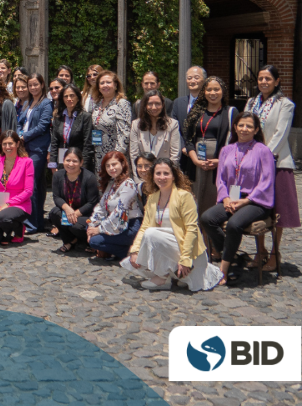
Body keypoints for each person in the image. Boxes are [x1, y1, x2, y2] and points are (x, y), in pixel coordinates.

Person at [122, 158, 222, 291]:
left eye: (166, 173)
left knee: (151, 234)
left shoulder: (185, 196)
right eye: (158, 173)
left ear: (174, 176)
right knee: (145, 240)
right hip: (167, 246)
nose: (162, 177)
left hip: (188, 252)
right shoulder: (152, 198)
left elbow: (192, 229)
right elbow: (144, 227)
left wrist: (186, 259)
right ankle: (165, 275)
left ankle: (164, 276)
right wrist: (134, 250)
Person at [203, 113, 278, 284]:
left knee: (234, 224)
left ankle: (224, 268)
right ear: (235, 127)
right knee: (207, 218)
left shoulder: (262, 150)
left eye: (249, 126)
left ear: (256, 129)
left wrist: (246, 200)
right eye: (241, 125)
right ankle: (233, 256)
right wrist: (226, 198)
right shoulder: (226, 150)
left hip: (256, 202)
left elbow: (266, 181)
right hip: (231, 198)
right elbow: (220, 179)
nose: (244, 129)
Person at [243, 67, 298, 272]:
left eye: (268, 78)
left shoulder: (285, 104)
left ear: (277, 81)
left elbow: (280, 134)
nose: (264, 82)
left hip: (277, 163)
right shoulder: (251, 103)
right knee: (257, 208)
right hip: (253, 164)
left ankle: (275, 253)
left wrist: (262, 157)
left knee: (278, 211)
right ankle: (260, 251)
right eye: (260, 78)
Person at [184, 76, 237, 219]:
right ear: (204, 92)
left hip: (219, 165)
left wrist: (219, 161)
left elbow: (236, 142)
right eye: (209, 89)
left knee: (211, 201)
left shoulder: (230, 112)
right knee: (194, 203)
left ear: (223, 91)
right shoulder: (196, 112)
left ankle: (212, 239)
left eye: (216, 89)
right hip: (196, 164)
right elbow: (188, 140)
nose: (213, 93)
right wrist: (195, 160)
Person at [87, 151, 143, 259]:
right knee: (89, 227)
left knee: (95, 241)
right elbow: (101, 206)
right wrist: (92, 224)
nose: (111, 168)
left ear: (122, 164)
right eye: (108, 166)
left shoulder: (128, 184)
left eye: (114, 164)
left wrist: (99, 229)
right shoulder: (112, 183)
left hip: (129, 226)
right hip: (114, 224)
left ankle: (128, 252)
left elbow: (119, 212)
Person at [17, 73, 53, 233]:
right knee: (34, 185)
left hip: (38, 148)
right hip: (25, 147)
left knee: (31, 184)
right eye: (30, 85)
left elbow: (43, 126)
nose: (33, 88)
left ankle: (32, 224)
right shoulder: (29, 102)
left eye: (35, 85)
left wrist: (24, 136)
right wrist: (18, 135)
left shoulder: (46, 103)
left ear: (42, 85)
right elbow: (20, 121)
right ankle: (35, 221)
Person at [0, 131, 33, 245]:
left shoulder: (27, 162)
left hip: (19, 204)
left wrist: (8, 204)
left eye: (10, 143)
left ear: (17, 144)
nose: (7, 147)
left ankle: (18, 228)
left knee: (3, 217)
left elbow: (28, 191)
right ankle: (6, 229)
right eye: (4, 144)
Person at [49, 148, 99, 252]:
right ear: (63, 161)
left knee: (75, 226)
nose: (71, 164)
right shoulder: (58, 176)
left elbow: (92, 202)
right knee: (54, 213)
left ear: (81, 162)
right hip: (68, 211)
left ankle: (86, 241)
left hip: (85, 214)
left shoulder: (89, 178)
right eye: (68, 160)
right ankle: (70, 240)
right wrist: (67, 209)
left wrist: (75, 214)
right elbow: (56, 197)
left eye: (75, 161)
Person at [90, 70, 131, 175]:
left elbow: (125, 134)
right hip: (99, 156)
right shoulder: (97, 105)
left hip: (115, 159)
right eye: (102, 83)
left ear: (115, 85)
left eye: (108, 82)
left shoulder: (121, 103)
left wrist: (115, 158)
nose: (105, 85)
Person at [128, 89, 180, 171]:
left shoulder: (173, 124)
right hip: (143, 174)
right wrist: (139, 178)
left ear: (163, 105)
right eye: (150, 104)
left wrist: (167, 174)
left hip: (164, 174)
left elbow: (175, 155)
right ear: (145, 105)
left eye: (157, 104)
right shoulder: (136, 125)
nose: (154, 107)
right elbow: (134, 155)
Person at [49, 84, 94, 173]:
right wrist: (52, 165)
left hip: (78, 163)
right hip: (62, 162)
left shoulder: (85, 117)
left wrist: (83, 166)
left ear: (78, 98)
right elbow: (54, 142)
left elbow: (87, 144)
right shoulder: (58, 117)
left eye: (72, 95)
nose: (69, 99)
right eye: (66, 96)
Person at [171, 66, 207, 173]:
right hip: (183, 155)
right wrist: (183, 147)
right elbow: (175, 129)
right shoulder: (178, 103)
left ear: (204, 80)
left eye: (196, 77)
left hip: (203, 154)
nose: (192, 81)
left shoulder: (210, 103)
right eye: (189, 78)